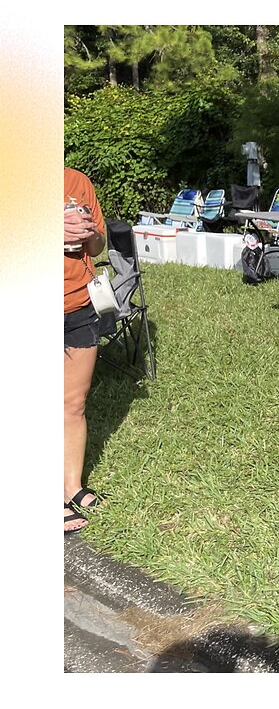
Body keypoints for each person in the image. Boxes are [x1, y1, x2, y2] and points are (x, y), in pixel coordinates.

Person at [64, 167, 108, 533]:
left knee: (74, 403)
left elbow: (98, 247)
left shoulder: (77, 181)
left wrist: (92, 234)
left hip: (79, 304)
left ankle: (71, 487)